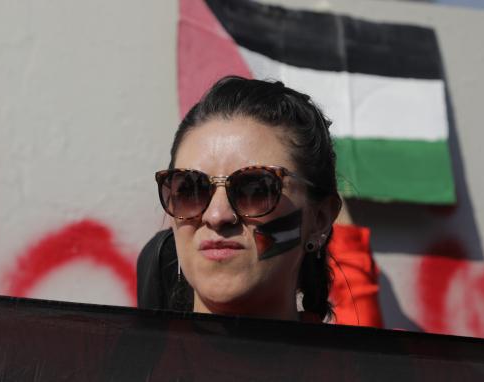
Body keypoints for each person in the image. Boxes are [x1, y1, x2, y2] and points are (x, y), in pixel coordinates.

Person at [139, 76, 382, 325]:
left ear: (319, 219)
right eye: (190, 190)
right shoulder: (123, 361)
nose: (216, 215)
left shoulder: (353, 363)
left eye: (256, 188)